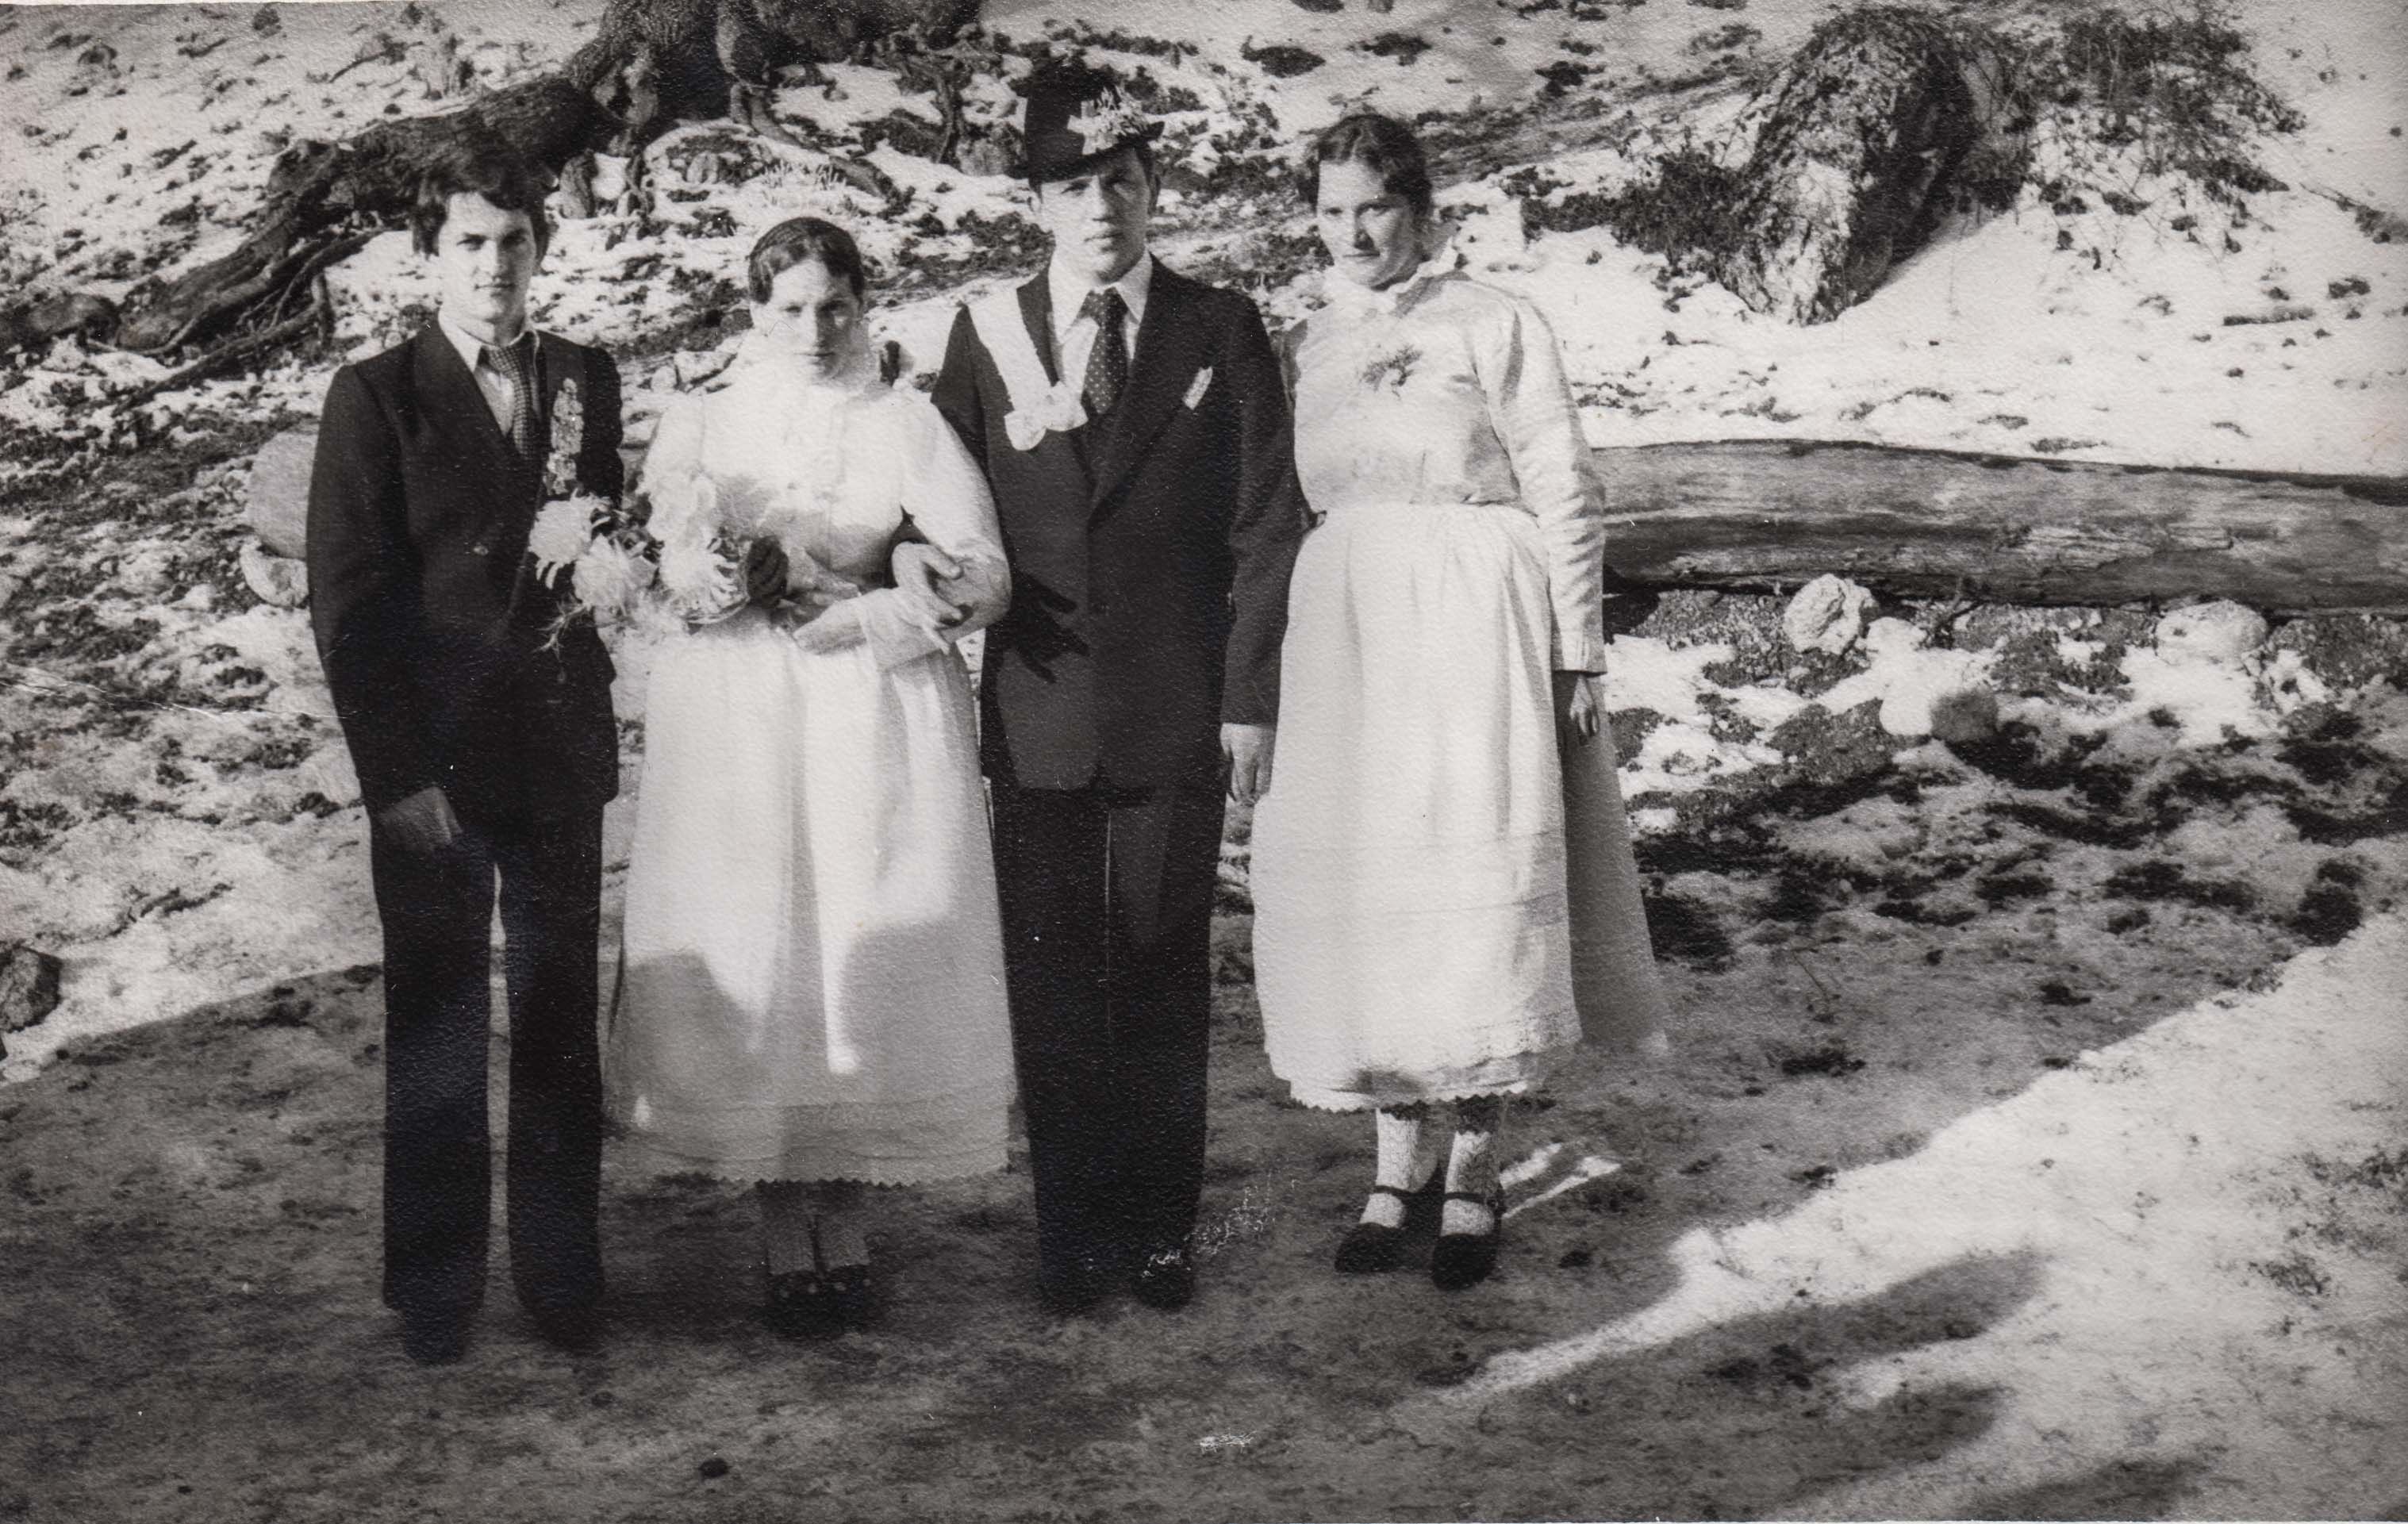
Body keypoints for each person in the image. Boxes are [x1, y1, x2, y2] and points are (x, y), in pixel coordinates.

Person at [904, 64, 1309, 1315]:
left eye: (1123, 181)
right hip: (1038, 711)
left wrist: (1249, 698)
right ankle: (1072, 1232)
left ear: (1153, 189)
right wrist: (922, 571)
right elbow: (932, 500)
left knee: (1159, 965)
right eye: (1076, 187)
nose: (1103, 208)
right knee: (1053, 979)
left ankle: (1161, 1227)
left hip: (1176, 710)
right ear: (1038, 202)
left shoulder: (1216, 328)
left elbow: (1267, 525)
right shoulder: (986, 334)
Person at [1247, 113, 1670, 1291]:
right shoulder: (1302, 342)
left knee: (1472, 888)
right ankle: (1397, 1166)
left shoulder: (1494, 319)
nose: (1354, 234)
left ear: (1422, 210)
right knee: (1381, 891)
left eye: (1375, 207)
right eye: (1331, 211)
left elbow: (1564, 486)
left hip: (1479, 615)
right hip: (1348, 633)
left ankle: (1475, 1170)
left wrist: (1578, 650)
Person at [605, 217, 1015, 1336]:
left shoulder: (904, 421)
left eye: (835, 305)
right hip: (738, 715)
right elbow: (656, 573)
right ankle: (782, 1220)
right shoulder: (705, 420)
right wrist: (718, 582)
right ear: (755, 314)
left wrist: (872, 612)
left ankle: (846, 1212)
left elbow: (986, 575)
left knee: (856, 942)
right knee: (764, 943)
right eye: (789, 308)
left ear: (863, 305)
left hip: (864, 713)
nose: (815, 329)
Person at [306, 139, 624, 1363]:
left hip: (555, 757)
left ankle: (561, 1274)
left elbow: (598, 544)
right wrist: (397, 780)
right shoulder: (377, 395)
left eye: (516, 241)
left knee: (556, 1021)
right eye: (471, 243)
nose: (496, 266)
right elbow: (349, 608)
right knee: (438, 1026)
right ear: (429, 253)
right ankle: (436, 1288)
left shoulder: (585, 376)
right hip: (434, 773)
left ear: (543, 244)